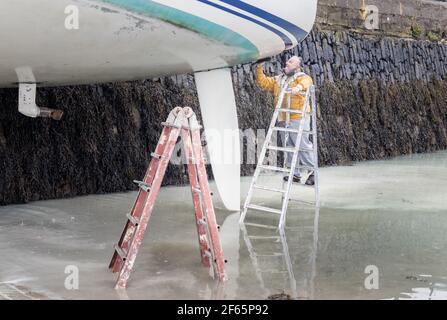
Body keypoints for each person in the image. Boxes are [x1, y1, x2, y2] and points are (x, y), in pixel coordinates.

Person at [256, 56, 315, 185]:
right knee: (288, 146)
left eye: (290, 61)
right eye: (287, 61)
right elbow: (263, 82)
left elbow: (308, 81)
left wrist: (298, 88)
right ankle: (294, 174)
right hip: (283, 117)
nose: (287, 63)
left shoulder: (301, 77)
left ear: (298, 66)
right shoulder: (279, 79)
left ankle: (312, 172)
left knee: (302, 145)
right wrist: (259, 67)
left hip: (298, 117)